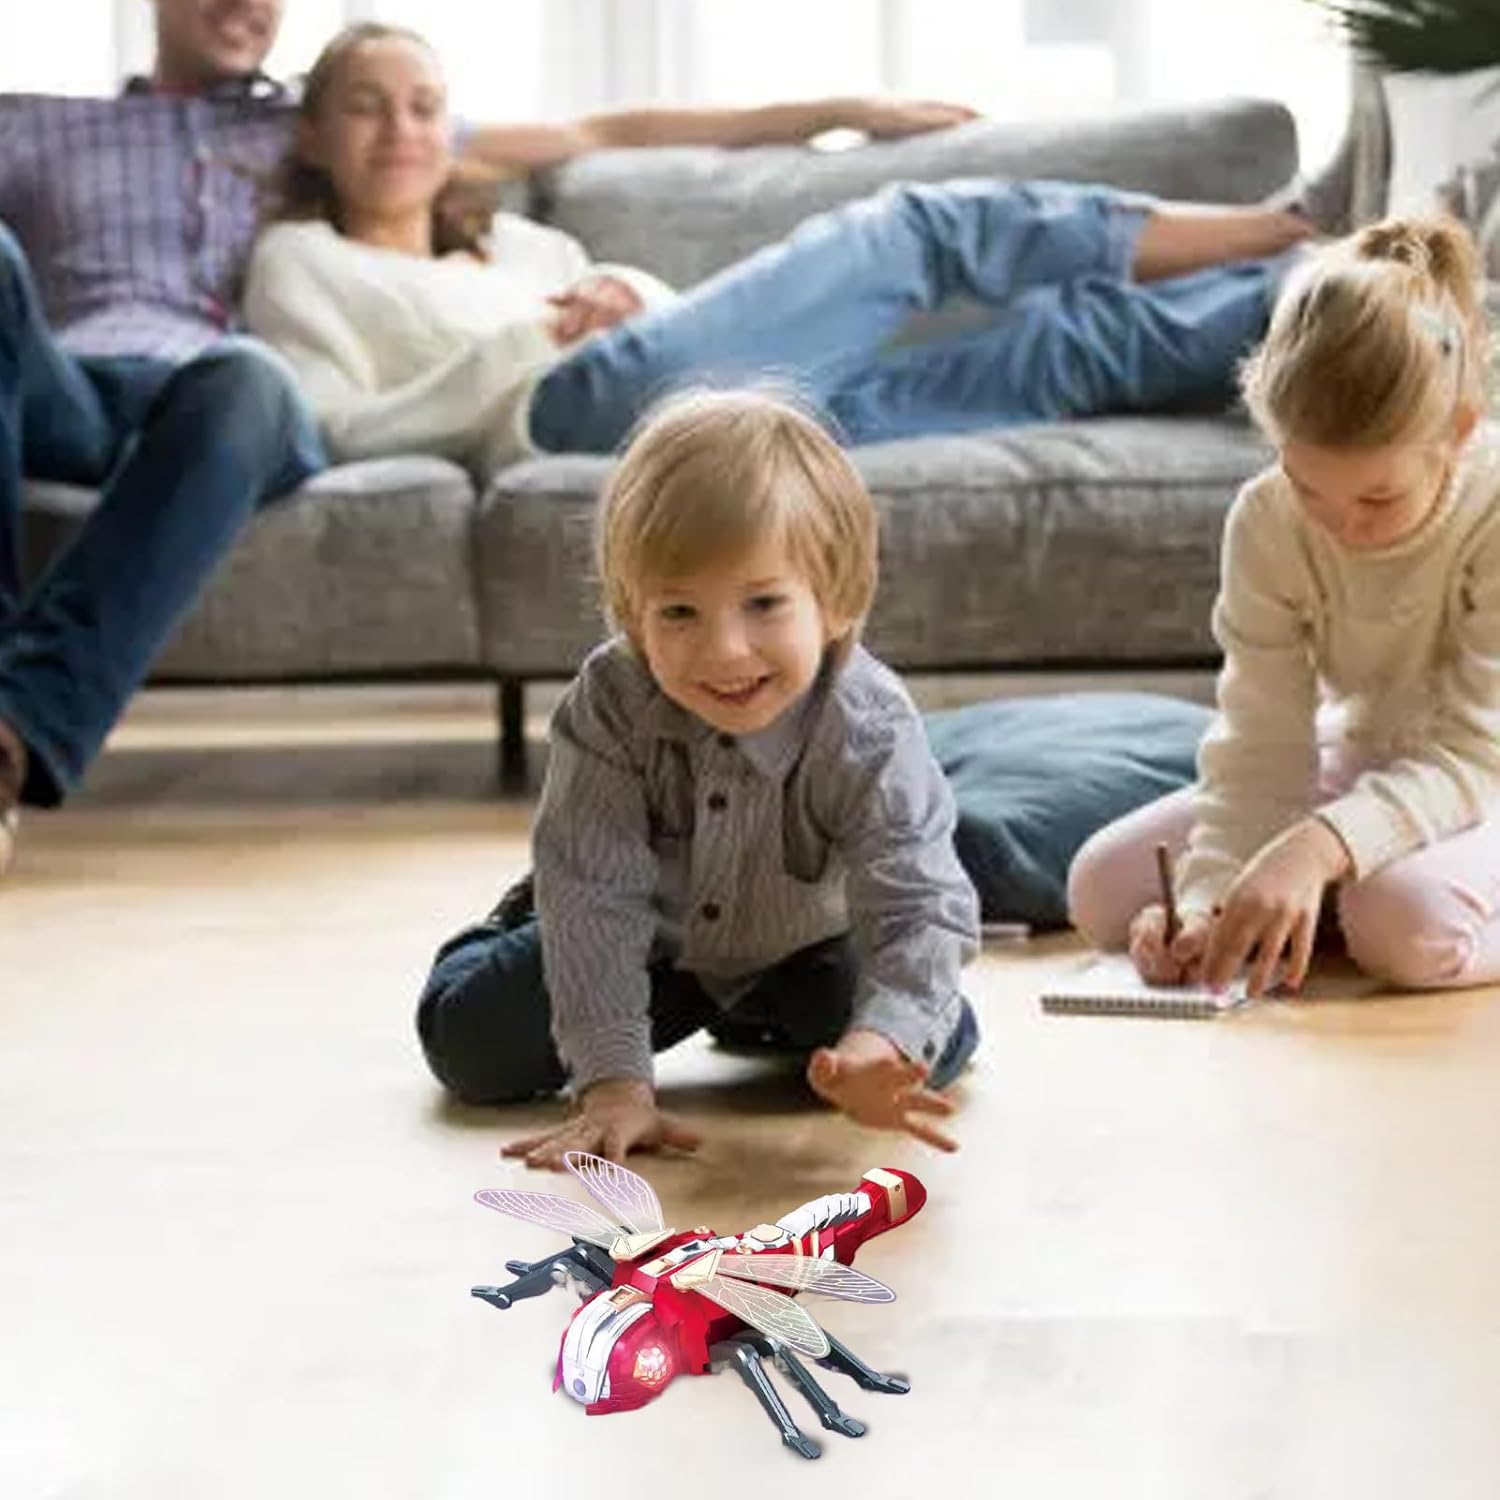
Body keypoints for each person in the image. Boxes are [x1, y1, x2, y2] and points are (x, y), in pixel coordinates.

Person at [0, 1, 968, 879]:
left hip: (223, 406)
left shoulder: (306, 124)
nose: (245, 6)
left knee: (247, 377)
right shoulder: (40, 124)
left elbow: (604, 132)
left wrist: (840, 107)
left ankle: (12, 731)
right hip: (69, 387)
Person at [243, 22, 1317, 479]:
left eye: (425, 106)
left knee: (1049, 348)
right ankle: (1288, 220)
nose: (402, 131)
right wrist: (527, 344)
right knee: (915, 230)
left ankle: (1319, 291)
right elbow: (334, 431)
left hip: (707, 416)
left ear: (453, 129)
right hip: (568, 411)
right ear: (314, 135)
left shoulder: (522, 243)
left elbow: (668, 326)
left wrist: (625, 291)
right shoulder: (302, 260)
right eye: (367, 107)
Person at [416, 389, 982, 1167]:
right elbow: (597, 899)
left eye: (764, 603)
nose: (724, 651)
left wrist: (877, 1044)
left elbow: (919, 902)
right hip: (648, 940)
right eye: (679, 613)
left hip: (806, 945)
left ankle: (762, 1016)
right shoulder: (610, 703)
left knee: (930, 1043)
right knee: (470, 1045)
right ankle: (518, 921)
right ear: (633, 614)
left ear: (836, 602)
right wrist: (613, 1086)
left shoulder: (869, 725)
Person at [1068, 215, 1500, 999]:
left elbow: (1478, 755)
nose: (1339, 525)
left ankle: (1342, 898)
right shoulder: (1266, 517)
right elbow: (1259, 742)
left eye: (1377, 498)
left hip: (1486, 773)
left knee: (1404, 927)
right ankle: (1322, 903)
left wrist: (1315, 849)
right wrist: (1208, 900)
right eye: (1308, 486)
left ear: (1459, 433)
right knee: (1102, 890)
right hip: (1368, 758)